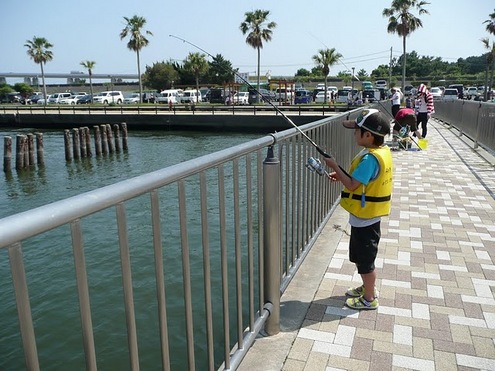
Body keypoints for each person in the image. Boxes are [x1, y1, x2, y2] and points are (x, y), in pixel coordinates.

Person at [323, 108, 393, 310]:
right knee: (363, 257)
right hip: (368, 216)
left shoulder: (369, 159)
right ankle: (366, 287)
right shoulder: (379, 152)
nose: (354, 134)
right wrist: (342, 176)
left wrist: (335, 166)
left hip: (365, 220)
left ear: (368, 135)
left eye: (356, 130)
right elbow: (359, 181)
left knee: (365, 261)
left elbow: (353, 185)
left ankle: (369, 298)